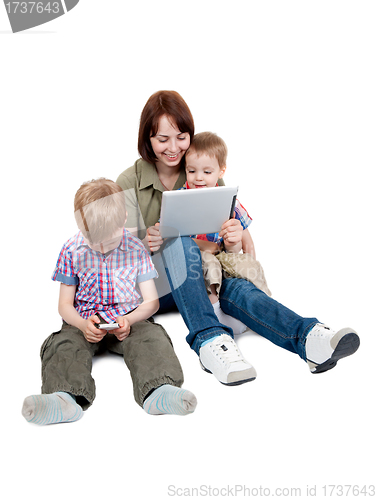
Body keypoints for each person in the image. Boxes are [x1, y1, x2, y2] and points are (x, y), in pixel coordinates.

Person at [116, 90, 360, 386]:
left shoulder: (201, 168)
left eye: (181, 137)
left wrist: (233, 235)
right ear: (147, 139)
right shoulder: (129, 181)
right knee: (177, 240)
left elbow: (241, 243)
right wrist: (148, 243)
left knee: (237, 287)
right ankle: (210, 340)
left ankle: (308, 339)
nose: (173, 148)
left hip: (204, 273)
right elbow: (118, 253)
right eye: (162, 139)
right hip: (156, 285)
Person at [21, 178, 197, 425]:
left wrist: (128, 319)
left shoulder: (136, 248)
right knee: (63, 345)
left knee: (152, 338)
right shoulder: (71, 249)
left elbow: (151, 303)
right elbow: (64, 305)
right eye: (94, 240)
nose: (102, 248)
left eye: (109, 240)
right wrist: (83, 325)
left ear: (124, 219)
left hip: (129, 319)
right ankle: (64, 399)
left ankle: (159, 391)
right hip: (84, 321)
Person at [182, 131, 271, 334]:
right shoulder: (181, 198)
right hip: (199, 263)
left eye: (207, 172)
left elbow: (247, 240)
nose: (198, 178)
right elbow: (172, 238)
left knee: (246, 265)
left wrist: (248, 266)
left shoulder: (229, 200)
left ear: (221, 171)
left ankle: (256, 303)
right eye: (192, 171)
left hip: (225, 258)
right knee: (209, 264)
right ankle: (216, 312)